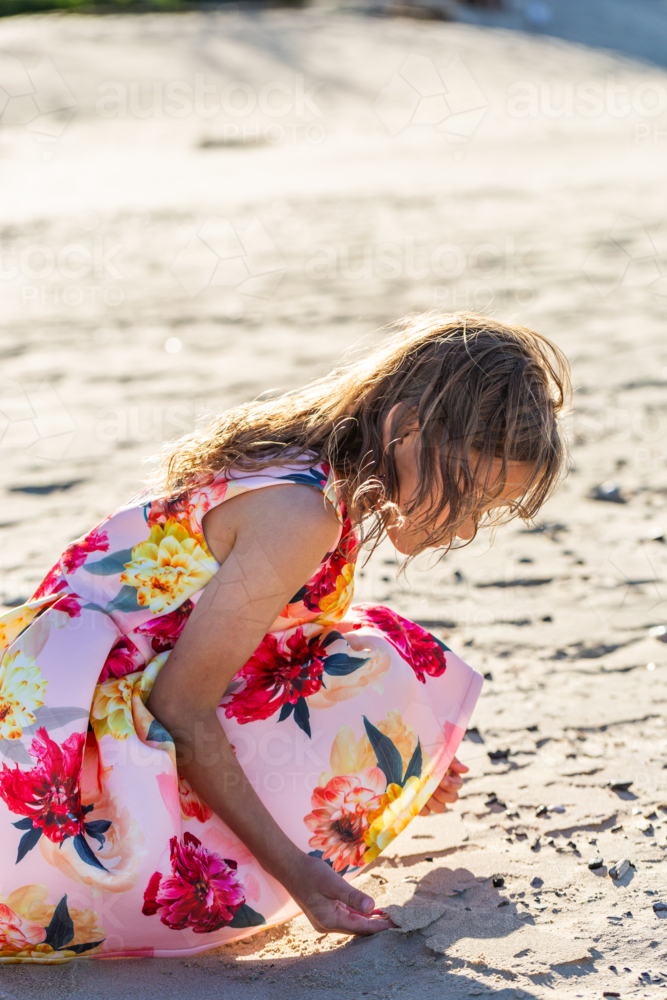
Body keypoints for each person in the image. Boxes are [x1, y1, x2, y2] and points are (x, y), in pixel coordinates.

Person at [0, 312, 569, 962]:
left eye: (488, 511)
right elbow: (181, 711)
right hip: (58, 751)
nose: (465, 527)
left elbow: (252, 653)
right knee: (382, 659)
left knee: (370, 659)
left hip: (110, 705)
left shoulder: (311, 479)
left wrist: (408, 749)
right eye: (471, 492)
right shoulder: (299, 513)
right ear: (405, 428)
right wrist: (298, 875)